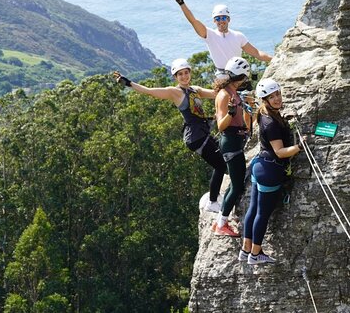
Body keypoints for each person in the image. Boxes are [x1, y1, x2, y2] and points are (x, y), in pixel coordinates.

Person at [113, 59, 226, 212]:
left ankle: (214, 195)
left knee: (222, 157)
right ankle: (212, 202)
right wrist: (129, 83)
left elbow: (217, 94)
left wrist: (232, 84)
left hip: (202, 133)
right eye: (180, 74)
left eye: (186, 73)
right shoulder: (175, 92)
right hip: (196, 137)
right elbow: (149, 91)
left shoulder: (195, 89)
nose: (184, 76)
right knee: (220, 165)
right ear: (175, 77)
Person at [240, 78, 303, 264]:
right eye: (272, 96)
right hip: (270, 172)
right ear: (265, 100)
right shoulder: (271, 124)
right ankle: (256, 253)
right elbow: (281, 152)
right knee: (262, 214)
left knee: (253, 209)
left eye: (278, 94)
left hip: (259, 166)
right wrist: (300, 146)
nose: (277, 99)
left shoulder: (264, 113)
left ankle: (246, 249)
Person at [173, 0, 272, 73]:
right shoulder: (209, 35)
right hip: (222, 75)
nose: (221, 21)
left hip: (239, 75)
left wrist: (274, 59)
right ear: (214, 21)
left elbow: (256, 53)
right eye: (217, 19)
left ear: (228, 19)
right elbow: (193, 21)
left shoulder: (238, 36)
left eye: (223, 18)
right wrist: (182, 3)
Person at [211, 56, 252, 236]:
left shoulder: (233, 92)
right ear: (240, 77)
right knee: (237, 186)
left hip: (236, 139)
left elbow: (244, 121)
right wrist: (231, 113)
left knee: (234, 183)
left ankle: (220, 219)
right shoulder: (224, 95)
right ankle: (222, 224)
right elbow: (221, 125)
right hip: (230, 141)